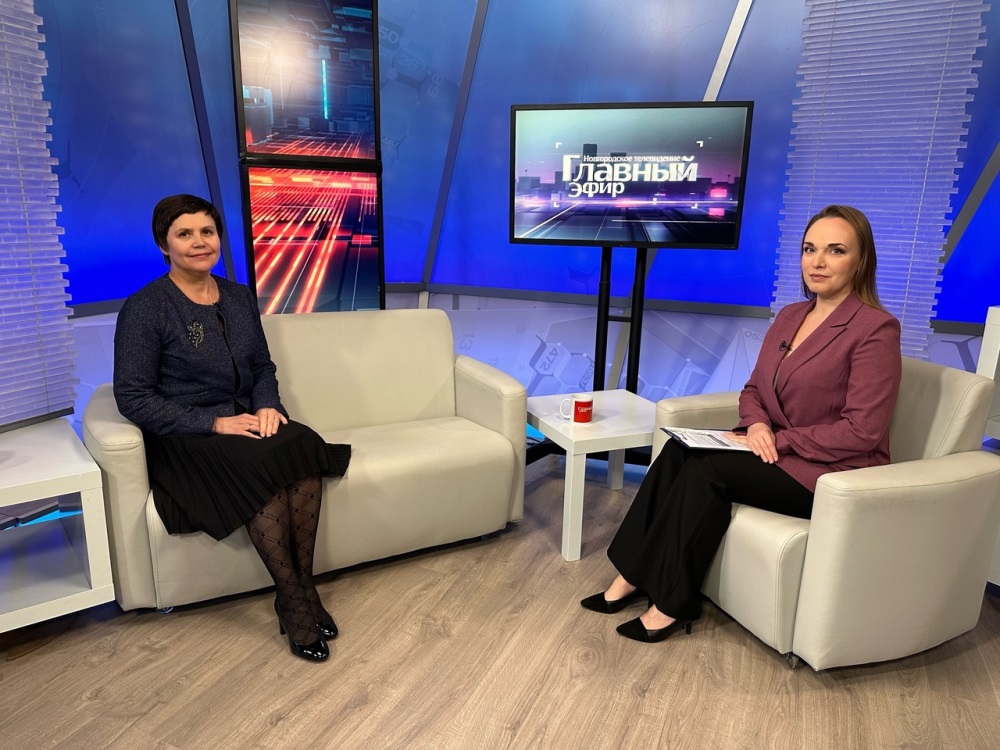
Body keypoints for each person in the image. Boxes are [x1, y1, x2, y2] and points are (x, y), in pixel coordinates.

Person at [581, 204, 902, 643]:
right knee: (678, 449)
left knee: (706, 468)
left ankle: (673, 603)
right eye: (809, 249)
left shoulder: (875, 329)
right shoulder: (791, 316)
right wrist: (756, 426)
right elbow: (753, 390)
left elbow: (863, 431)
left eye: (836, 250)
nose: (818, 261)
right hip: (775, 450)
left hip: (828, 472)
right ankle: (632, 575)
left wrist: (780, 440)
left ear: (861, 260)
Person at [113, 194, 350, 662]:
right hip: (187, 435)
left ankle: (301, 588)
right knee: (261, 462)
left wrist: (268, 406)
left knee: (301, 442)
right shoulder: (145, 308)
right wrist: (214, 422)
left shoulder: (239, 297)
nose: (199, 242)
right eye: (185, 234)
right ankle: (295, 602)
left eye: (207, 232)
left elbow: (262, 366)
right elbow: (134, 397)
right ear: (164, 244)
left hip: (246, 418)